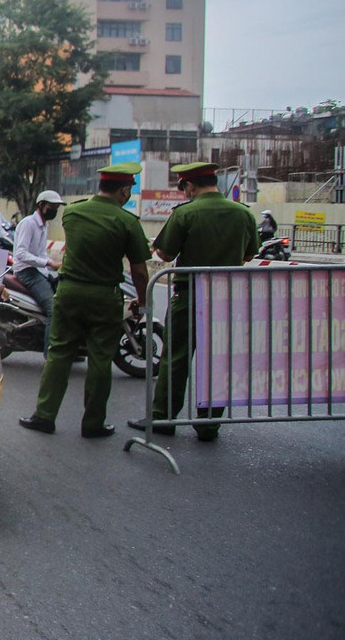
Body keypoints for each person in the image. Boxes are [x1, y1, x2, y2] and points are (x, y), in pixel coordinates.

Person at [18, 163, 151, 438]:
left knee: (58, 353)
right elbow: (139, 270)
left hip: (69, 293)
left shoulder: (74, 213)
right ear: (124, 191)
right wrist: (143, 300)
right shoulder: (128, 222)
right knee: (101, 359)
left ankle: (44, 416)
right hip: (105, 296)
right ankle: (93, 423)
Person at [129, 162, 259, 442]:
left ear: (190, 186)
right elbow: (249, 256)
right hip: (227, 299)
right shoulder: (243, 215)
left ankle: (163, 418)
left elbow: (164, 254)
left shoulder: (185, 214)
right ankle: (208, 424)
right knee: (218, 360)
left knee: (175, 357)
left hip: (189, 296)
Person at [11, 190, 65, 352]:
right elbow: (21, 253)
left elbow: (40, 254)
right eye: (52, 207)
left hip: (39, 271)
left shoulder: (44, 225)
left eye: (57, 208)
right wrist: (49, 263)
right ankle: (50, 355)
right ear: (41, 206)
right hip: (26, 271)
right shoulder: (29, 223)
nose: (54, 211)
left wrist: (51, 268)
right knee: (53, 311)